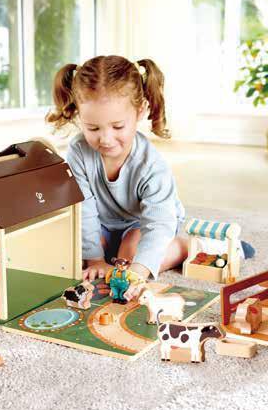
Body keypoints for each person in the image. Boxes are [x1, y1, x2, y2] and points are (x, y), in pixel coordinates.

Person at [46, 55, 253, 282]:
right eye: (93, 128)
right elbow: (84, 209)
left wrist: (139, 271)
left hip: (143, 224)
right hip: (103, 223)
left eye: (118, 126)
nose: (105, 139)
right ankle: (109, 251)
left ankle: (190, 247)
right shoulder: (78, 151)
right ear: (79, 114)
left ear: (141, 110)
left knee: (129, 258)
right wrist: (94, 259)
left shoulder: (151, 165)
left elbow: (159, 223)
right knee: (70, 252)